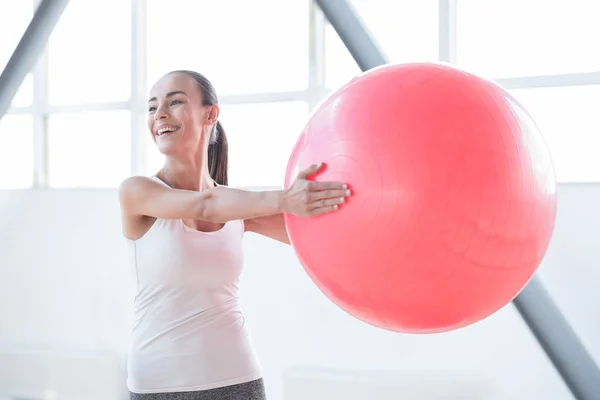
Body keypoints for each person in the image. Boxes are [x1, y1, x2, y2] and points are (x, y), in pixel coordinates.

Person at [117, 70, 351, 400]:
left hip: (237, 377)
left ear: (210, 113)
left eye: (175, 102)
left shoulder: (235, 207)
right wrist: (286, 198)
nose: (161, 115)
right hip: (159, 384)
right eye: (153, 107)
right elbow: (204, 205)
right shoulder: (137, 192)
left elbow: (319, 242)